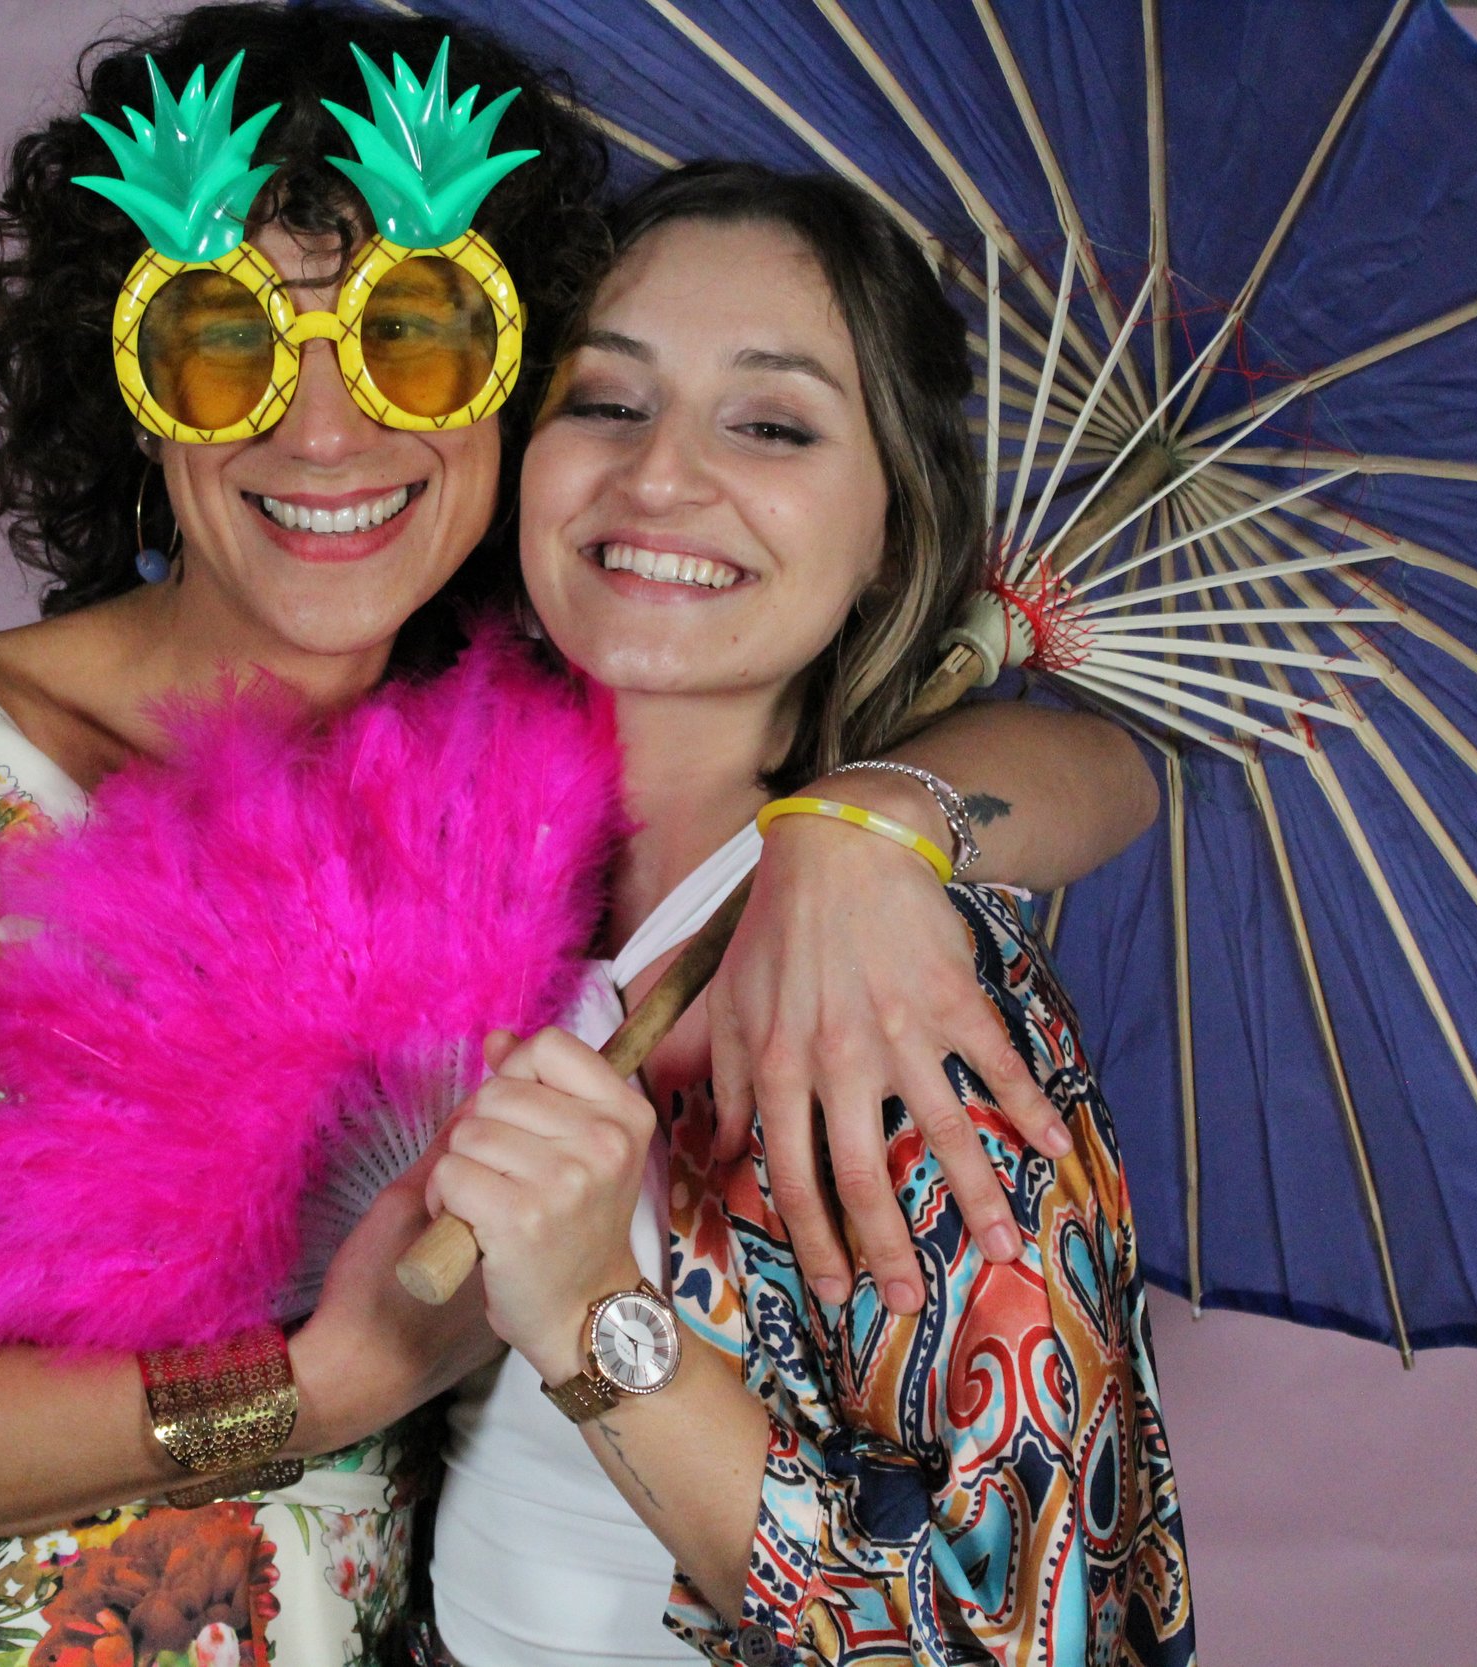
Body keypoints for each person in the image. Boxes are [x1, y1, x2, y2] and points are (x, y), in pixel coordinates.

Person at [0, 10, 1155, 1666]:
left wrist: (873, 824)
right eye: (226, 349)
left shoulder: (551, 804)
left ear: (500, 398)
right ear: (127, 391)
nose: (326, 431)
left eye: (410, 341)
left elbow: (1109, 764)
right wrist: (311, 1392)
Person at [423, 163, 1194, 1664]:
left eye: (771, 425)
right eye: (605, 400)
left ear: (892, 533)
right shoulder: (450, 879)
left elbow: (1007, 1635)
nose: (661, 477)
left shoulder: (898, 988)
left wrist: (594, 1313)